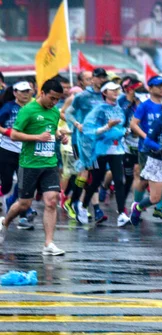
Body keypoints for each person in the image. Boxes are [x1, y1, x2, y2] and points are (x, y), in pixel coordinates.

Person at [0, 79, 68, 255]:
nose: (54, 103)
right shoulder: (28, 110)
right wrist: (37, 138)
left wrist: (61, 136)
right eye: (52, 98)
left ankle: (48, 244)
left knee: (51, 201)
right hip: (29, 164)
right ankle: (5, 223)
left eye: (57, 99)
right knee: (24, 204)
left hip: (49, 163)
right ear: (42, 93)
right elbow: (14, 135)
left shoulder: (54, 111)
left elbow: (52, 130)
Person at [77, 81, 130, 227]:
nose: (115, 92)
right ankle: (82, 206)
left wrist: (125, 132)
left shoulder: (120, 109)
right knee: (95, 181)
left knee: (119, 181)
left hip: (117, 150)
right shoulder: (99, 109)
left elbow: (121, 127)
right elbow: (89, 129)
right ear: (104, 93)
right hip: (100, 150)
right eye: (112, 90)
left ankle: (121, 214)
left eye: (117, 90)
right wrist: (108, 127)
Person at [130, 96, 162, 237]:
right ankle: (138, 207)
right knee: (155, 198)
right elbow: (148, 141)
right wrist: (161, 148)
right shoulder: (159, 122)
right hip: (156, 162)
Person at [64, 68, 108, 224]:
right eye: (96, 78)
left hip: (99, 142)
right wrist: (77, 124)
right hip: (81, 141)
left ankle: (78, 202)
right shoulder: (82, 96)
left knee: (92, 175)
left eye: (104, 77)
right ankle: (76, 203)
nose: (101, 80)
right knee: (86, 172)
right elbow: (67, 113)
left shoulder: (106, 96)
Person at [130, 75, 162, 221]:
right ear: (150, 88)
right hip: (147, 149)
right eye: (159, 86)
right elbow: (133, 124)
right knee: (145, 179)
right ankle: (136, 204)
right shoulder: (145, 105)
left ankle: (160, 208)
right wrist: (145, 136)